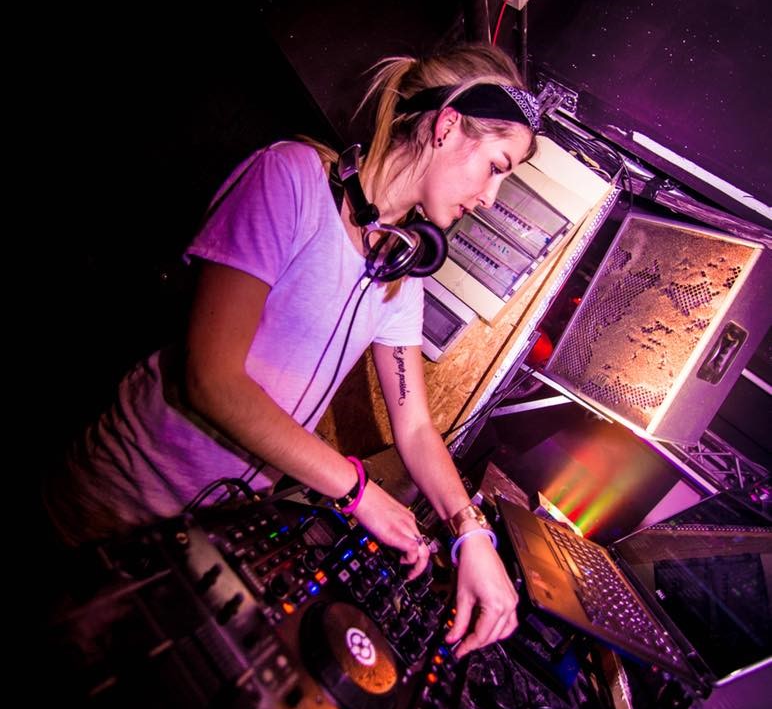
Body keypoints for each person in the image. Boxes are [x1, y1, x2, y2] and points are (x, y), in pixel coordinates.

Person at [44, 42, 541, 658]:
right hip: (116, 508)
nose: (491, 198)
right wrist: (359, 492)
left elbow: (415, 427)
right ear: (446, 128)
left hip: (210, 533)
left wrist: (472, 535)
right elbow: (211, 379)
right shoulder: (292, 179)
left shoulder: (399, 273)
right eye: (495, 166)